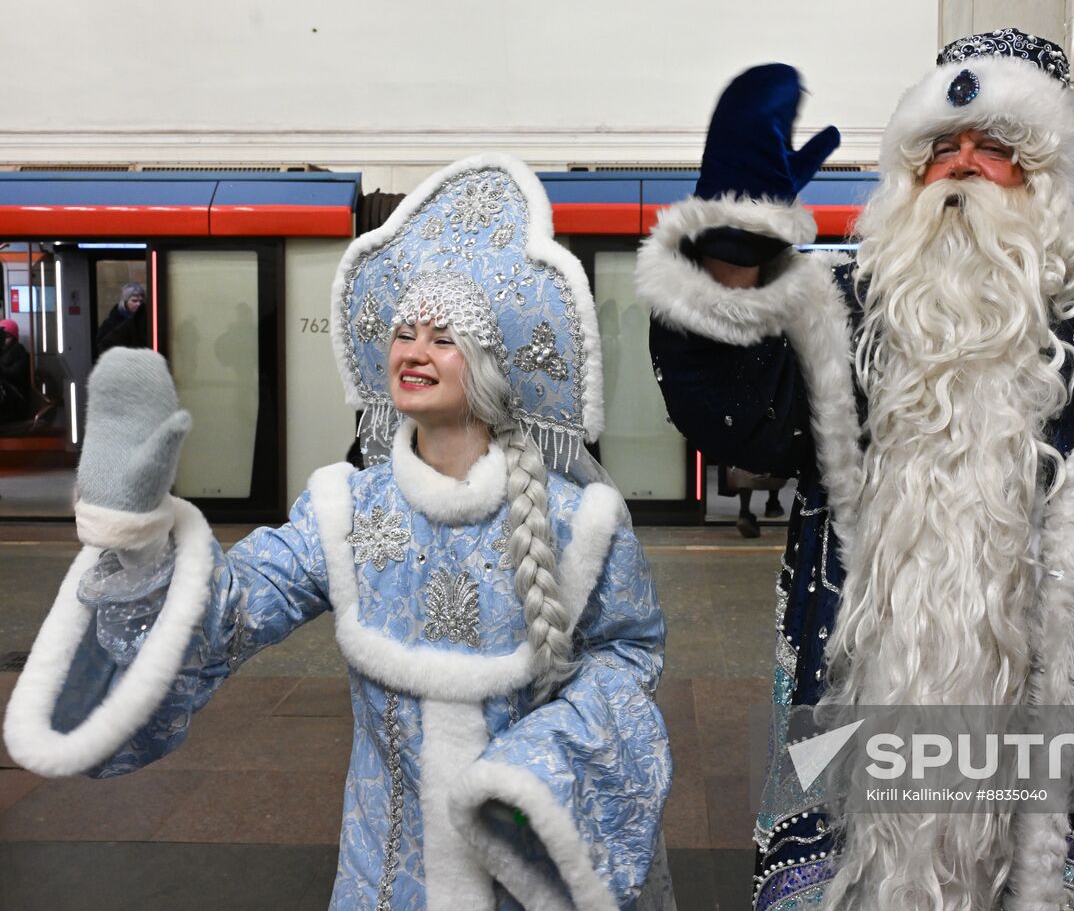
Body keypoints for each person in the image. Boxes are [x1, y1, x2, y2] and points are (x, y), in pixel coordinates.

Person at [637, 31, 1074, 911]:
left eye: (995, 148)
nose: (963, 166)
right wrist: (732, 250)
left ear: (1046, 177)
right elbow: (738, 415)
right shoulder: (846, 310)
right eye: (941, 147)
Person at [5, 157, 673, 911]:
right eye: (404, 332)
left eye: (443, 338)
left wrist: (536, 772)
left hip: (521, 876)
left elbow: (628, 656)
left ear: (489, 368)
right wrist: (137, 536)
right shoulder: (345, 509)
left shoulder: (577, 522)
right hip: (383, 883)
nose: (413, 350)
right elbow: (231, 608)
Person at [95, 282, 149, 355]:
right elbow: (102, 346)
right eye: (134, 301)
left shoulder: (145, 321)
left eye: (141, 301)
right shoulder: (111, 323)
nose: (138, 304)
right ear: (125, 302)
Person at [0, 318, 32, 423]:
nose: (4, 341)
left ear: (14, 338)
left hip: (15, 401)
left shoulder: (21, 355)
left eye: (8, 337)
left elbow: (14, 375)